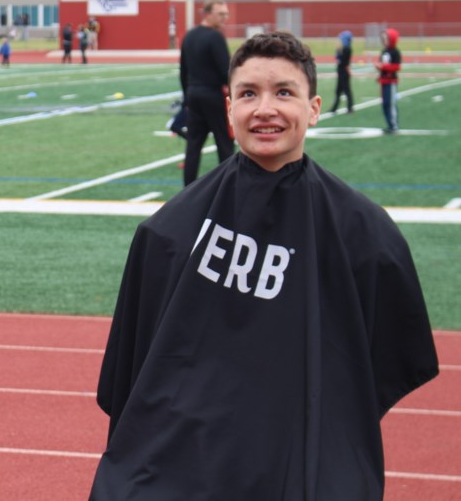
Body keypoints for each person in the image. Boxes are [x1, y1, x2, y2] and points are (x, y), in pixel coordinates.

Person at [90, 31, 439, 500]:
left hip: (305, 457)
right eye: (249, 93)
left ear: (313, 108)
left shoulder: (364, 233)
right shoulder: (168, 232)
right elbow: (132, 374)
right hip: (186, 462)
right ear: (229, 106)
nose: (265, 109)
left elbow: (385, 359)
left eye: (284, 93)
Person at [179, 0, 235, 186]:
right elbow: (225, 71)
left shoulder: (189, 36)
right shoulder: (215, 37)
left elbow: (183, 71)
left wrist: (187, 98)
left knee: (193, 145)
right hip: (213, 95)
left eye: (226, 14)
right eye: (221, 14)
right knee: (224, 142)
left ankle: (188, 189)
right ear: (208, 13)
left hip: (194, 94)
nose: (224, 18)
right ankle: (228, 186)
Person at [376, 27, 402, 133]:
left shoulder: (395, 52)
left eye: (386, 38)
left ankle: (394, 125)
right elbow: (381, 64)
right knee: (385, 103)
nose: (384, 40)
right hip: (383, 81)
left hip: (391, 81)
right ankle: (389, 124)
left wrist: (383, 67)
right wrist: (378, 67)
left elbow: (397, 66)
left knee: (391, 103)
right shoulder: (384, 51)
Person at [331, 30, 355, 114]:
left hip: (343, 72)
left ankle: (350, 107)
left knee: (346, 90)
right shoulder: (344, 49)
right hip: (341, 71)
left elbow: (341, 60)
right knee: (338, 90)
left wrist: (338, 52)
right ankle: (334, 108)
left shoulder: (346, 49)